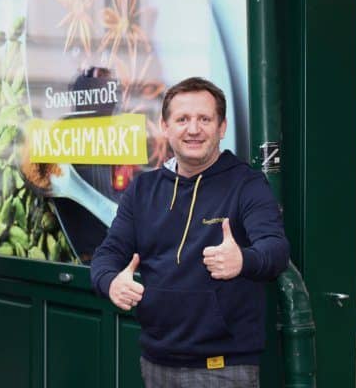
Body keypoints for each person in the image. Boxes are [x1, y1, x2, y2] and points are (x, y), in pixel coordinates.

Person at [90, 77, 289, 388]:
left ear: (222, 127)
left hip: (222, 368)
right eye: (182, 119)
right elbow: (108, 253)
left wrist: (243, 260)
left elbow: (275, 249)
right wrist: (110, 281)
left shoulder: (247, 185)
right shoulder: (143, 189)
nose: (193, 129)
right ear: (165, 127)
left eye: (204, 119)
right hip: (155, 361)